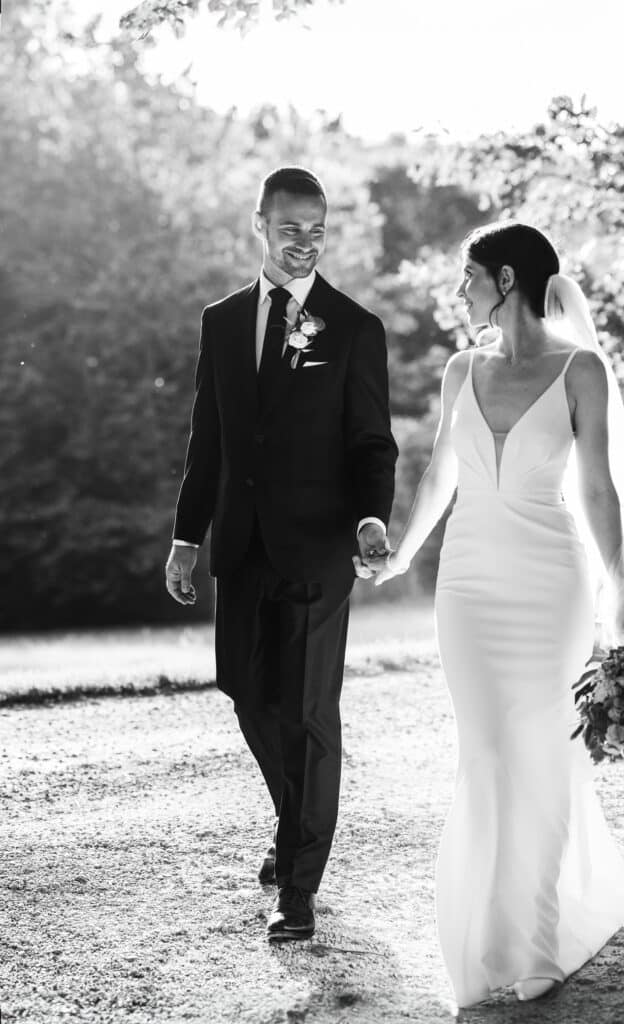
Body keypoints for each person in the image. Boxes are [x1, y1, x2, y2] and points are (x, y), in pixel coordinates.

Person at [369, 222, 624, 1008]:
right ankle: (489, 935)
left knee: (543, 756)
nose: (457, 291)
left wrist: (622, 588)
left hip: (550, 583)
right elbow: (439, 472)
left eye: (466, 276)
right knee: (488, 752)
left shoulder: (581, 368)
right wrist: (402, 555)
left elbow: (596, 488)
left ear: (504, 279)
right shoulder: (460, 369)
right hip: (465, 585)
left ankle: (535, 938)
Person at [165, 166, 397, 942]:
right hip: (240, 546)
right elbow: (211, 440)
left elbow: (372, 444)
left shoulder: (354, 327)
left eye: (317, 230)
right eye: (291, 228)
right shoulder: (222, 321)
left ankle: (296, 889)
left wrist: (369, 518)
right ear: (260, 223)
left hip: (319, 550)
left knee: (307, 714)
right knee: (245, 692)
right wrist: (185, 539)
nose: (305, 243)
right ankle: (293, 820)